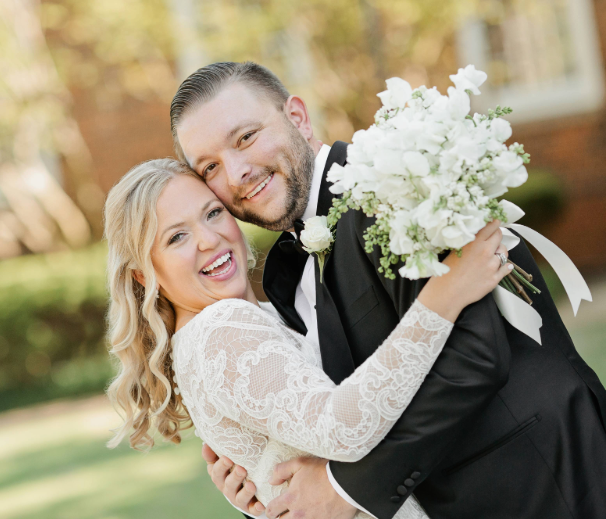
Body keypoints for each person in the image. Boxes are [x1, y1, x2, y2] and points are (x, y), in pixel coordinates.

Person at [170, 62, 606, 519]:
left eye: (245, 137)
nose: (236, 172)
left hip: (543, 483)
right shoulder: (282, 277)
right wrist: (263, 485)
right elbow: (346, 408)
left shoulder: (396, 179)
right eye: (210, 166)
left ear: (297, 117)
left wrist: (344, 490)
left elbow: (477, 352)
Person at [104, 158, 512, 519]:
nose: (208, 239)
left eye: (212, 213)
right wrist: (445, 296)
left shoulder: (223, 328)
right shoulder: (221, 329)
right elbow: (341, 427)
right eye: (176, 237)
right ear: (144, 273)